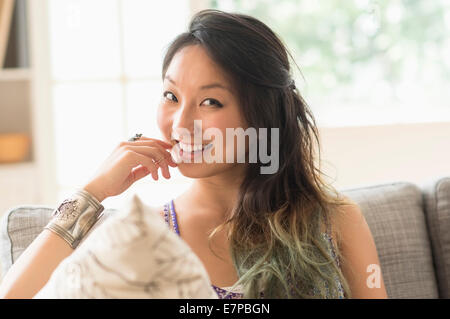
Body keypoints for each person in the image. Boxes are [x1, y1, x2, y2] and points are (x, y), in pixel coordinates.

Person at [0, 9, 387, 299]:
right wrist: (92, 192)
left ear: (261, 114)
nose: (181, 122)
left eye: (211, 102)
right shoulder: (147, 235)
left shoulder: (332, 220)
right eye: (171, 96)